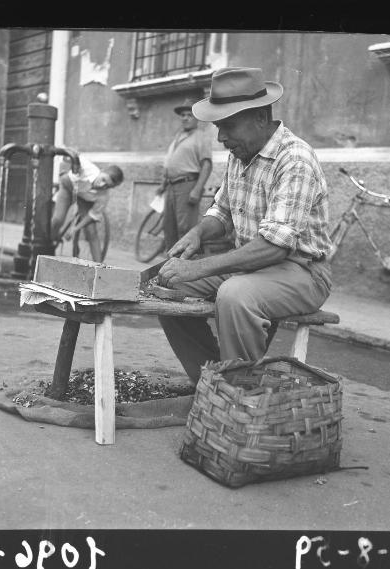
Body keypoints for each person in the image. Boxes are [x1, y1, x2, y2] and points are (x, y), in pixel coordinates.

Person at [157, 67, 333, 384]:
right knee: (167, 284)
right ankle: (212, 382)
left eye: (228, 126)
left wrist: (199, 268)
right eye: (218, 127)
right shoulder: (241, 153)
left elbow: (275, 246)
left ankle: (242, 393)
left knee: (235, 295)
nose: (222, 137)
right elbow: (221, 211)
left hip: (302, 271)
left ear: (260, 118)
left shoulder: (295, 159)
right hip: (252, 264)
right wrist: (198, 233)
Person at [155, 98, 213, 251]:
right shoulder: (178, 136)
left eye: (189, 115)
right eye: (183, 115)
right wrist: (163, 184)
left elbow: (206, 164)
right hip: (171, 186)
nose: (185, 118)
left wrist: (197, 189)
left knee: (185, 228)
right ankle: (169, 264)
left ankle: (186, 266)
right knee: (169, 227)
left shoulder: (200, 136)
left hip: (188, 185)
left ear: (196, 119)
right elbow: (170, 162)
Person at [51, 156, 123, 263]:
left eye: (107, 186)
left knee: (91, 231)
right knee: (57, 219)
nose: (102, 185)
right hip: (68, 187)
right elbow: (70, 156)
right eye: (103, 179)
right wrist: (69, 160)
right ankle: (49, 243)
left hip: (83, 198)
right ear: (101, 171)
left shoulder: (103, 197)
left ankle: (99, 267)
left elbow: (92, 215)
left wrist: (75, 229)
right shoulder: (87, 167)